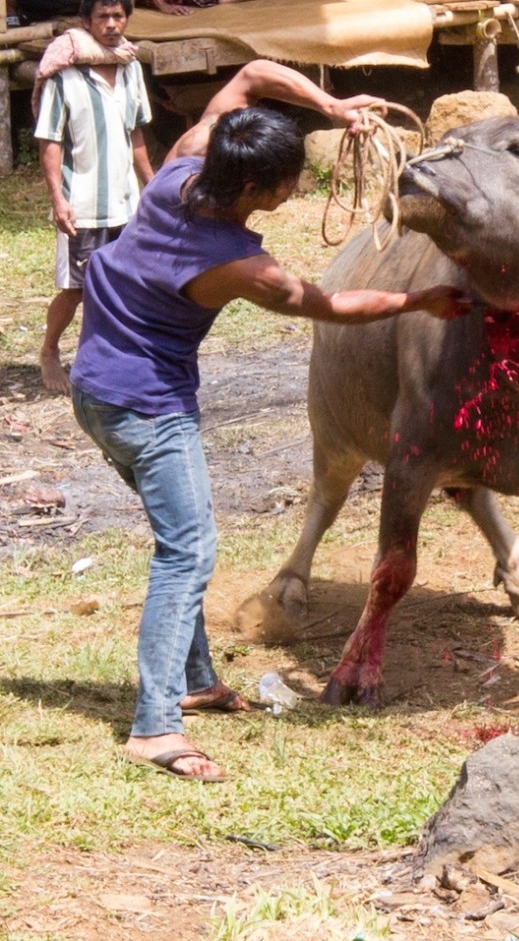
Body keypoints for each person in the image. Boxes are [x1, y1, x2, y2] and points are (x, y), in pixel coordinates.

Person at [69, 67, 470, 783]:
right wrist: (420, 297)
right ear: (259, 190)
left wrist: (331, 105)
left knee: (178, 537)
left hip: (95, 386)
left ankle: (193, 679)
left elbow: (251, 75)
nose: (298, 191)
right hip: (145, 407)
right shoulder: (239, 264)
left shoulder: (183, 164)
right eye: (291, 183)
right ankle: (154, 725)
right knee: (187, 552)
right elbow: (328, 305)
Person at [35, 0, 154, 393]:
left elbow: (135, 134)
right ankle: (49, 351)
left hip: (125, 201)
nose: (111, 24)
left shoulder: (130, 68)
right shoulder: (63, 75)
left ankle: (110, 358)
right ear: (86, 21)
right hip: (82, 202)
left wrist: (152, 187)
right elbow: (49, 141)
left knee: (123, 283)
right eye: (102, 16)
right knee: (76, 290)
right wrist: (58, 199)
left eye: (118, 15)